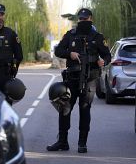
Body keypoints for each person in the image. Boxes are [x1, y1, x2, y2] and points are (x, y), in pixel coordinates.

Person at [46, 8, 111, 153]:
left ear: (90, 19)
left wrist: (103, 62)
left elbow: (107, 56)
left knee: (85, 110)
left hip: (90, 79)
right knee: (65, 109)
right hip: (72, 78)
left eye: (85, 19)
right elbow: (58, 51)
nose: (83, 21)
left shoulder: (97, 37)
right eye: (81, 19)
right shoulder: (70, 35)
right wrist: (70, 54)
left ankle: (82, 143)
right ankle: (62, 142)